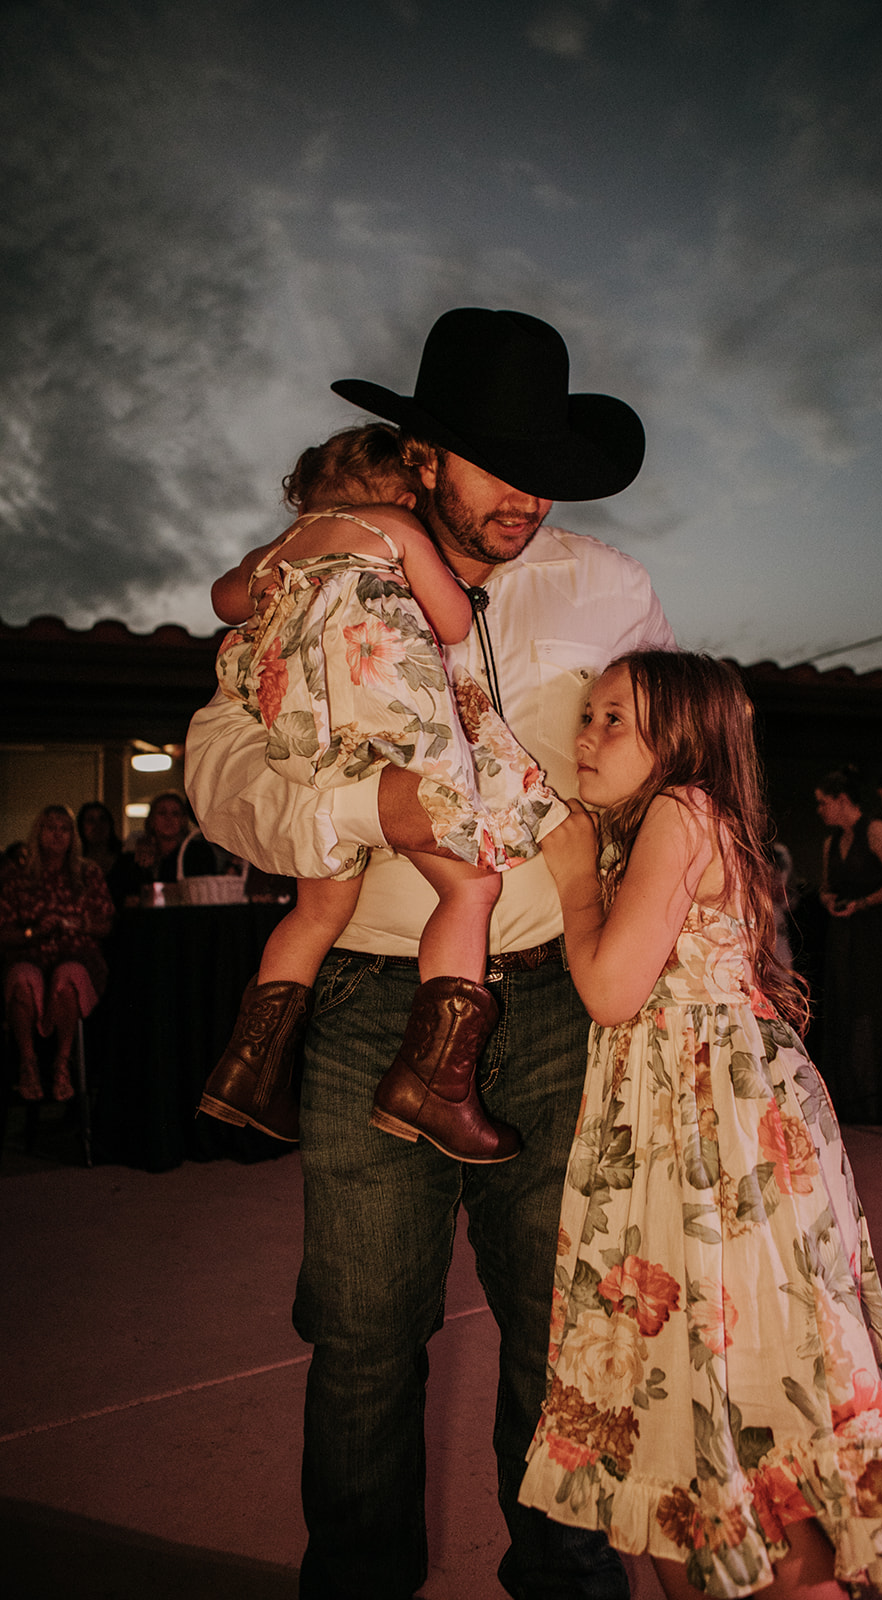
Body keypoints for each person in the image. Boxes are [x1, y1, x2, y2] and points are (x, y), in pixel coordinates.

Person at [185, 306, 673, 1600]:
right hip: (363, 999)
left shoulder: (611, 592)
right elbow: (220, 768)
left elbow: (657, 785)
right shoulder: (312, 567)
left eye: (545, 464)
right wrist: (361, 815)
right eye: (494, 459)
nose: (526, 492)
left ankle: (566, 1587)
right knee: (359, 1339)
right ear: (421, 457)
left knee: (564, 1335)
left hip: (558, 1008)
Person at [518, 653, 882, 1599]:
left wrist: (575, 879)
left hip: (702, 1142)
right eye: (586, 714)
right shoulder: (686, 819)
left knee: (712, 1382)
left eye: (614, 719)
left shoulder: (679, 810)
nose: (586, 734)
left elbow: (613, 990)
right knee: (698, 1392)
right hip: (697, 1124)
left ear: (686, 738)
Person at [198, 421, 568, 1156]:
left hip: (308, 747)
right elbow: (455, 620)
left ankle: (250, 1071)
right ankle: (432, 1083)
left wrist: (281, 573)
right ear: (409, 490)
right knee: (470, 890)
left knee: (318, 907)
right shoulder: (395, 527)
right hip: (388, 738)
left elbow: (223, 600)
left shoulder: (276, 552)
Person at [814, 771, 882, 1125]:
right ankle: (859, 1099)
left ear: (842, 799)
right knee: (849, 1009)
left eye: (823, 802)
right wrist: (829, 899)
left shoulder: (875, 829)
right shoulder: (831, 841)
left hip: (878, 932)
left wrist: (863, 904)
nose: (819, 810)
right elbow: (826, 885)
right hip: (844, 935)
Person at [0, 804, 114, 1101]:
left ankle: (62, 1063)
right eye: (51, 827)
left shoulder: (88, 873)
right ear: (38, 832)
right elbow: (4, 930)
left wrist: (79, 924)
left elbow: (106, 924)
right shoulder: (17, 875)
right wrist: (33, 931)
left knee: (69, 975)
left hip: (77, 954)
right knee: (23, 977)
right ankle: (27, 1063)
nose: (57, 835)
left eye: (64, 828)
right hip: (30, 953)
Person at [108, 789, 217, 907]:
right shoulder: (133, 854)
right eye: (162, 813)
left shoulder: (197, 853)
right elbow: (115, 891)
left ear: (183, 820)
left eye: (175, 813)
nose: (168, 819)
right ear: (151, 819)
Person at [76, 801, 122, 879]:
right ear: (82, 827)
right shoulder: (74, 863)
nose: (98, 825)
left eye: (102, 819)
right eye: (91, 820)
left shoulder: (125, 858)